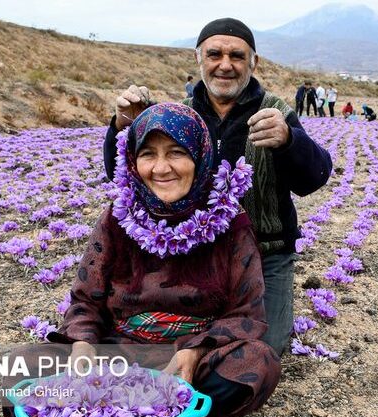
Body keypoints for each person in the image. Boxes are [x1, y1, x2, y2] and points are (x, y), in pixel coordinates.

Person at [4, 103, 281, 417]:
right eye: (148, 154)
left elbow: (246, 311)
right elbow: (85, 299)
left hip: (195, 355)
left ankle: (118, 414)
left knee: (257, 362)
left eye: (177, 152)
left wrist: (194, 352)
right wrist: (82, 345)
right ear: (133, 162)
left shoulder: (230, 222)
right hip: (120, 352)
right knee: (20, 364)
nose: (161, 168)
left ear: (201, 156)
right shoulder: (117, 218)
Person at [103, 18, 332, 357]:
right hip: (196, 252)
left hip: (266, 251)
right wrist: (125, 125)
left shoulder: (277, 112)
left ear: (253, 63)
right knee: (163, 339)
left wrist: (289, 141)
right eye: (215, 54)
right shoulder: (181, 114)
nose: (225, 65)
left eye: (237, 56)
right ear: (199, 60)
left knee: (260, 348)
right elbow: (124, 173)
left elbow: (314, 177)